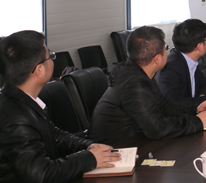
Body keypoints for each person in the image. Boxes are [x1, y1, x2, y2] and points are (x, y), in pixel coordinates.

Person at [0, 30, 120, 182]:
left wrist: (89, 147)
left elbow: (53, 135)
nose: (52, 60)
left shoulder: (20, 98)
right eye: (50, 56)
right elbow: (41, 174)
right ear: (39, 70)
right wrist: (89, 159)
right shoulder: (17, 117)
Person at [89, 26, 206, 146]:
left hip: (135, 143)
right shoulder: (134, 84)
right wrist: (198, 122)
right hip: (118, 150)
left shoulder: (138, 73)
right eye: (165, 48)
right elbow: (157, 129)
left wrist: (195, 108)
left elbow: (164, 105)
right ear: (157, 59)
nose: (167, 52)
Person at [156, 19, 206, 108]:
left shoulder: (189, 61)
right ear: (199, 46)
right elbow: (171, 104)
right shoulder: (171, 68)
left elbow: (204, 85)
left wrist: (204, 96)